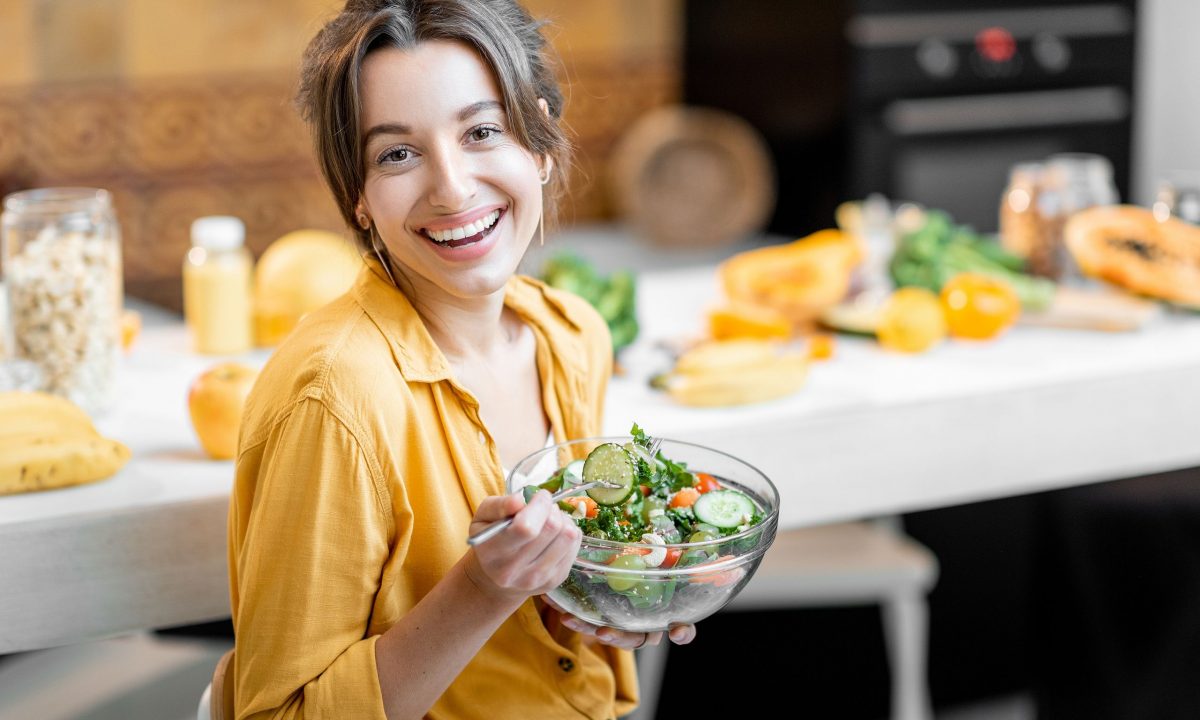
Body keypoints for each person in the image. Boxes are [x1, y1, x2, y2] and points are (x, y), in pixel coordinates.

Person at [226, 1, 695, 718]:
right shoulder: (335, 399)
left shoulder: (572, 336)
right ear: (358, 196)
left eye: (482, 131)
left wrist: (608, 598)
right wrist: (482, 587)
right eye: (397, 154)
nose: (451, 188)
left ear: (538, 143)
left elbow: (550, 619)